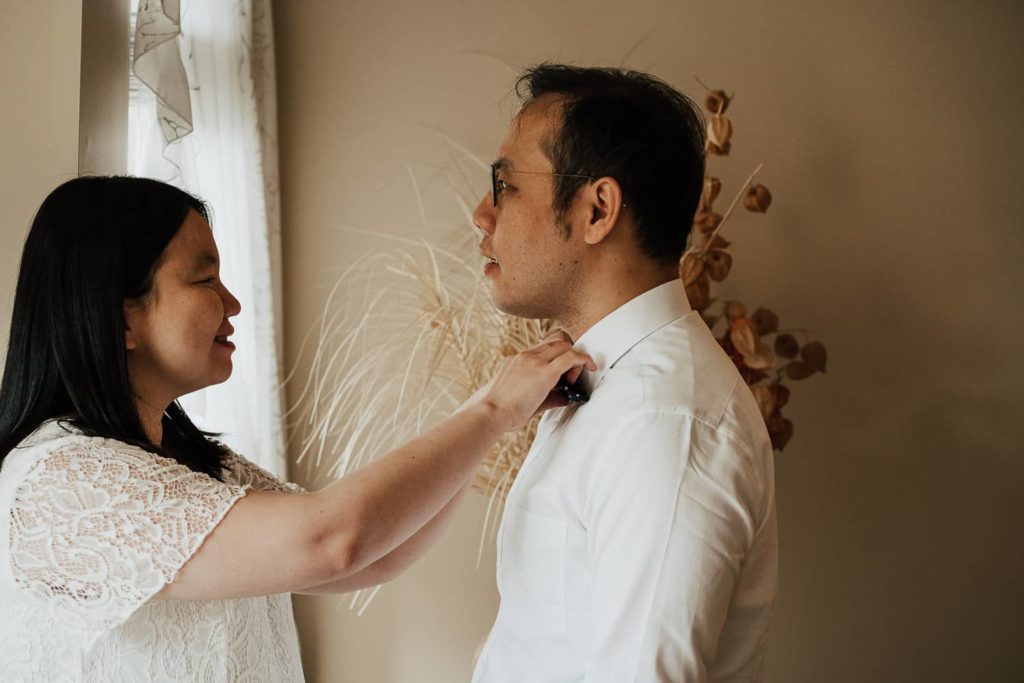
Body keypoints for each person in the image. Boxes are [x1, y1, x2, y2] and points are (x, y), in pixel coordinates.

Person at [0, 175, 594, 682]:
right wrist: (491, 411)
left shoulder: (197, 466)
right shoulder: (60, 482)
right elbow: (332, 540)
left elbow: (369, 558)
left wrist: (493, 426)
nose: (232, 303)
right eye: (205, 281)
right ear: (118, 316)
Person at [469, 64, 778, 682]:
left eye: (504, 185)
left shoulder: (666, 422)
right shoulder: (606, 383)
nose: (482, 214)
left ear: (597, 210)